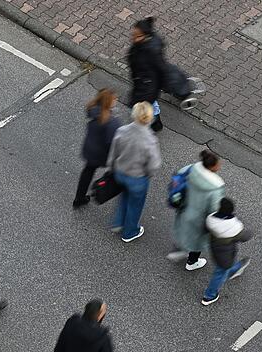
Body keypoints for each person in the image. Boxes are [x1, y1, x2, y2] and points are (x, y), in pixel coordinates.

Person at [106, 102, 162, 243]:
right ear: (150, 118)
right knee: (135, 205)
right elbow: (154, 165)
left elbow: (113, 152)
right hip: (137, 179)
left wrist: (111, 167)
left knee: (124, 195)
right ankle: (130, 232)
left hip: (120, 172)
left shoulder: (122, 131)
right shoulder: (150, 139)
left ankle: (118, 222)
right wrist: (147, 174)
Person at [168, 150, 225, 271]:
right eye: (218, 164)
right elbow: (214, 209)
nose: (219, 166)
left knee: (182, 229)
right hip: (199, 219)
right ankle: (192, 262)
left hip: (184, 210)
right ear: (212, 167)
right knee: (197, 241)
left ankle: (179, 248)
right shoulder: (215, 187)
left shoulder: (191, 169)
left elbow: (178, 178)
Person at [73, 89, 122, 209]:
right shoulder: (111, 122)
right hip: (101, 154)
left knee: (87, 172)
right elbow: (113, 143)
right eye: (114, 99)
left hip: (90, 149)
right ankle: (99, 192)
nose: (116, 101)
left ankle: (79, 198)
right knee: (113, 176)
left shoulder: (93, 110)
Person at [201, 198, 252, 306]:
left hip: (214, 248)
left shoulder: (210, 219)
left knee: (221, 268)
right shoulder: (233, 227)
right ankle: (209, 296)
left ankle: (234, 269)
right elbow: (245, 236)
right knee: (220, 272)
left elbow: (205, 229)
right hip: (226, 254)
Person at [128, 17, 167, 132]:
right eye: (133, 35)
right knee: (151, 104)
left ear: (146, 36)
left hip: (147, 86)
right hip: (144, 83)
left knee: (146, 105)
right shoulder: (141, 46)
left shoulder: (151, 51)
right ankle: (155, 123)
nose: (134, 39)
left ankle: (153, 123)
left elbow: (161, 69)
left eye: (138, 36)